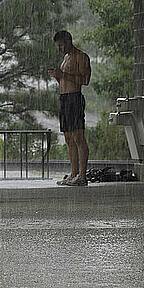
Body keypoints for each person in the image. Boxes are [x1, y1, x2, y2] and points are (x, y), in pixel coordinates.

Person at [48, 30, 91, 186]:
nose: (60, 50)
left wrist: (63, 75)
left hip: (75, 99)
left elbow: (85, 80)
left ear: (68, 42)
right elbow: (65, 81)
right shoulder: (66, 58)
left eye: (61, 46)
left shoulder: (81, 56)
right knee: (68, 138)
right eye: (58, 47)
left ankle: (82, 175)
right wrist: (58, 76)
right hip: (65, 99)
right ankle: (73, 174)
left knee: (78, 136)